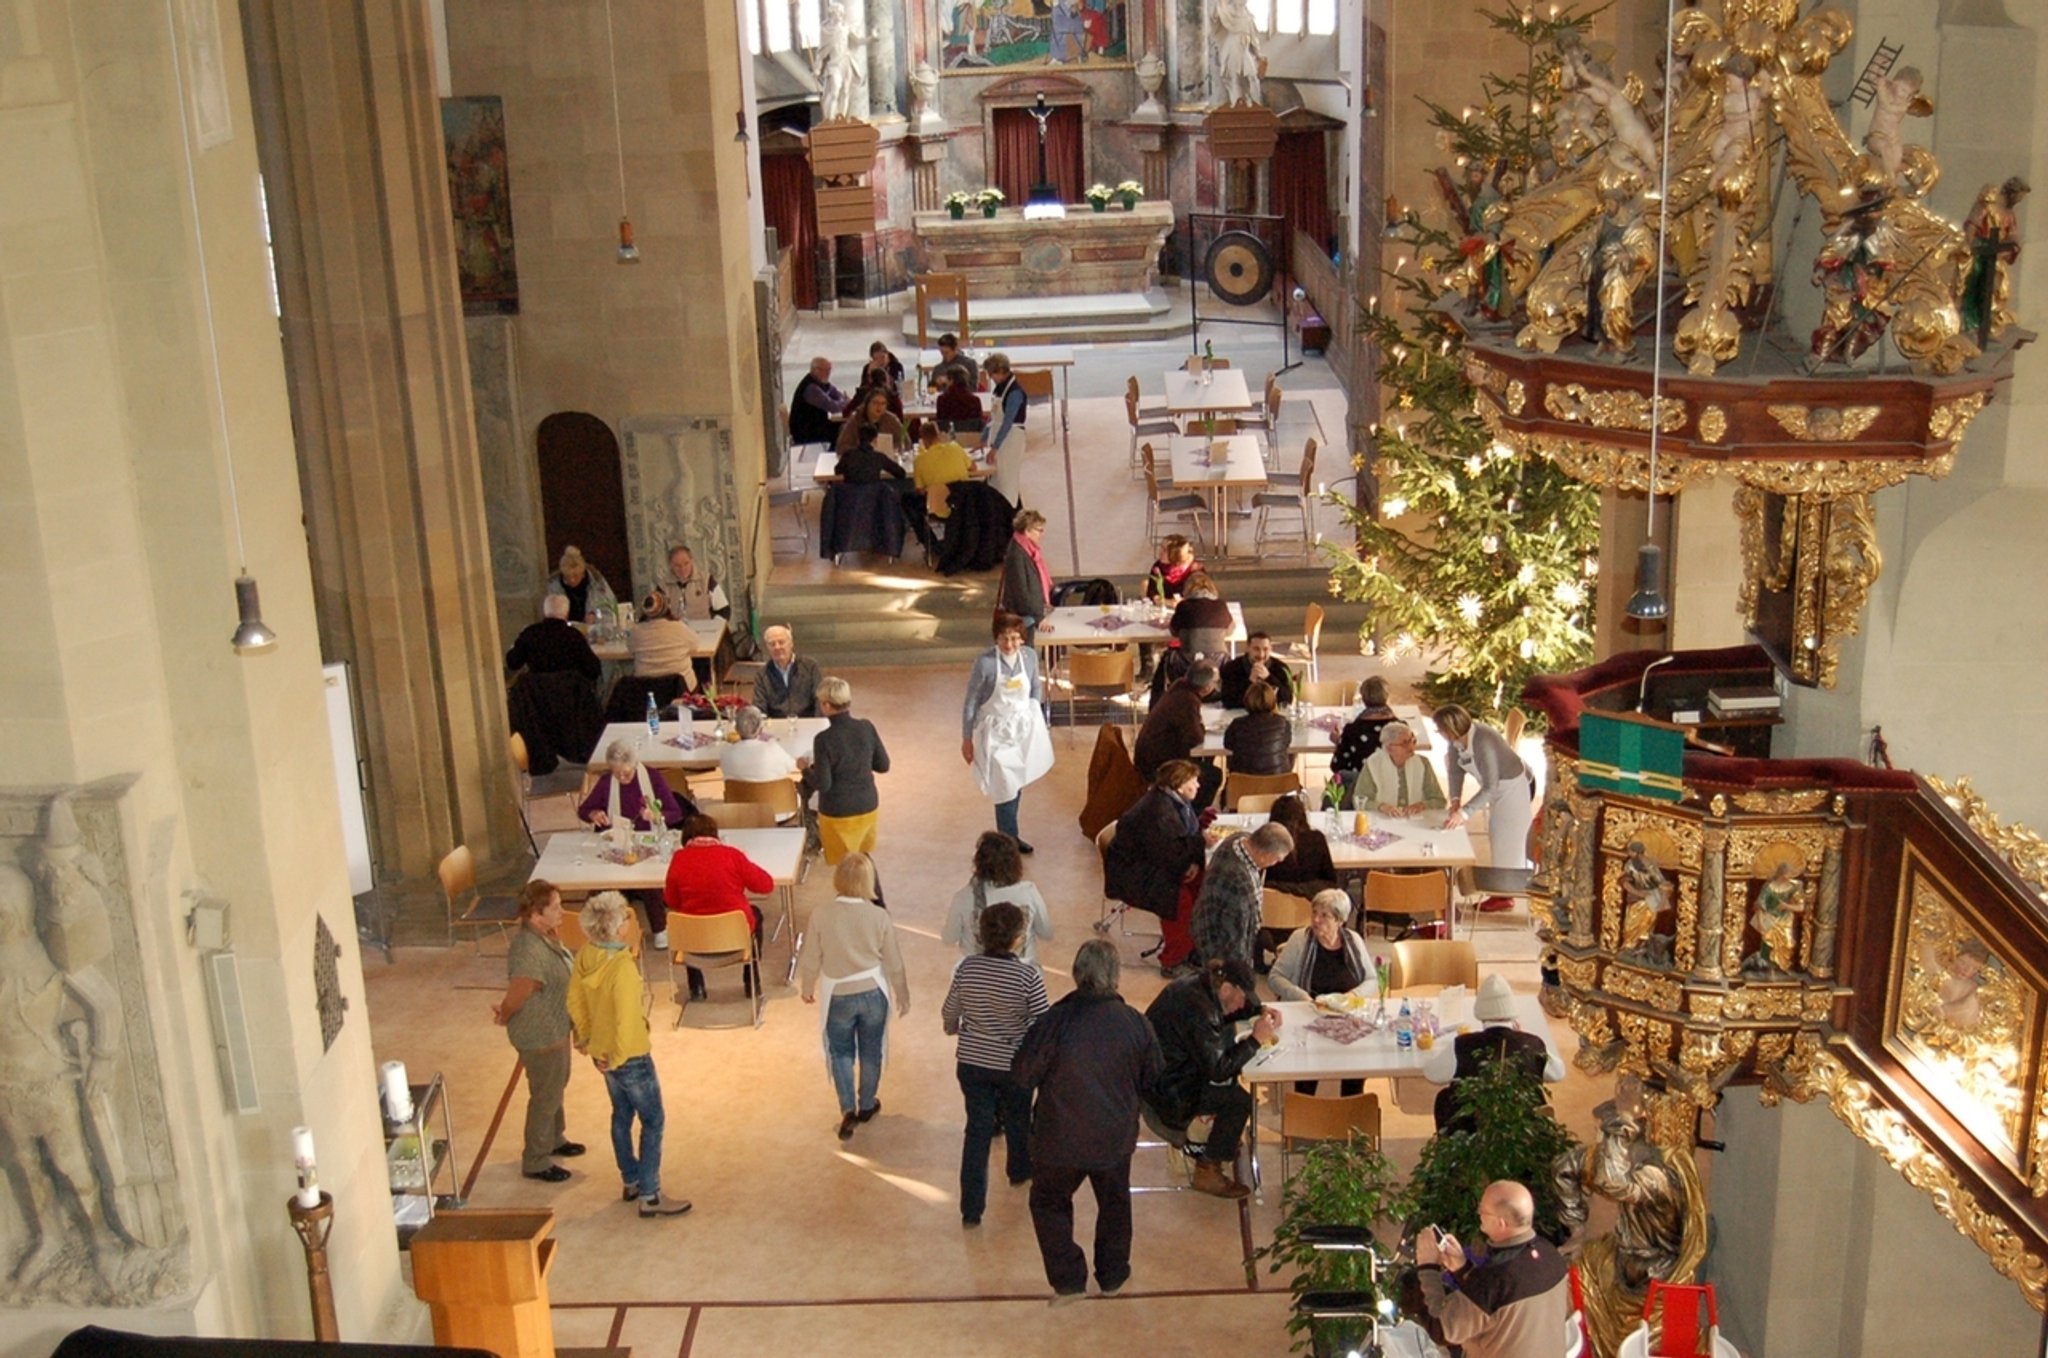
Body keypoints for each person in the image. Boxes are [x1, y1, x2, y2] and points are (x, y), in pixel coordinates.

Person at [1011, 939, 1163, 1304]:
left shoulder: (1054, 1021)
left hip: (1058, 1140)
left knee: (1048, 1202)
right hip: (1114, 1139)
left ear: (1078, 974)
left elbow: (1022, 1074)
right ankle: (1112, 1276)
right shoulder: (1136, 1023)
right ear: (1115, 977)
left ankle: (1068, 1281)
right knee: (1114, 1204)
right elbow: (1155, 1078)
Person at [566, 892, 690, 1216]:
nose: (630, 920)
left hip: (603, 1053)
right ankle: (650, 1195)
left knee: (621, 1116)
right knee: (653, 1120)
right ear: (616, 929)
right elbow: (625, 1019)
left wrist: (590, 1041)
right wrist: (619, 1056)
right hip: (629, 1055)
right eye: (626, 917)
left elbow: (575, 1001)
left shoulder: (585, 956)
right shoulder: (622, 968)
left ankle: (631, 1179)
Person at [943, 901, 1050, 1227]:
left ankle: (971, 1208)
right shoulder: (1028, 975)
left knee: (977, 1130)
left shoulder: (967, 968)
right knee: (1018, 1118)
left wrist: (952, 1028)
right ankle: (1019, 1169)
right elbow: (1042, 1022)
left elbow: (950, 1010)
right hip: (1014, 1065)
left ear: (981, 934)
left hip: (973, 1063)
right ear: (1019, 937)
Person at [1144, 956, 1277, 1199]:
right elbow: (1219, 1069)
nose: (1243, 1002)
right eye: (1243, 997)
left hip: (1161, 1074)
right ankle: (1207, 1170)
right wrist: (1256, 1040)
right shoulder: (1201, 1010)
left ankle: (1222, 1140)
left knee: (1233, 1077)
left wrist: (1258, 1010)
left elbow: (1222, 1015)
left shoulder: (1200, 985)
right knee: (1239, 1101)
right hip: (1170, 1091)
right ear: (1227, 988)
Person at [798, 853, 910, 1141]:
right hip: (874, 992)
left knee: (841, 1052)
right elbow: (894, 961)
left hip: (838, 994)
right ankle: (867, 1103)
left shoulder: (821, 914)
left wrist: (807, 985)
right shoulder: (879, 916)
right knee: (872, 1050)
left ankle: (847, 1106)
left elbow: (810, 957)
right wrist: (902, 993)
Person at [1415, 1180, 1573, 1358]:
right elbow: (1495, 1304)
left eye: (1483, 1211)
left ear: (1501, 1223)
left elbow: (1441, 1329)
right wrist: (1462, 1268)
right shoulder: (1550, 1254)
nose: (1479, 1214)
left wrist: (1427, 1268)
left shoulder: (1495, 1278)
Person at [492, 881, 583, 1182]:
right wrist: (504, 1014)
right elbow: (520, 990)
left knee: (556, 1084)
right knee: (545, 1094)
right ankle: (535, 1159)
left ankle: (555, 1139)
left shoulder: (544, 936)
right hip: (540, 1032)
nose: (562, 912)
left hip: (555, 1026)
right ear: (535, 914)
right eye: (555, 907)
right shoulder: (527, 949)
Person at [578, 740, 693, 947]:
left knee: (646, 877)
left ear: (635, 765)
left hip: (648, 839)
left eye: (627, 774)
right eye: (617, 773)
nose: (621, 778)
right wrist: (594, 813)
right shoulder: (606, 783)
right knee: (600, 881)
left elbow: (675, 813)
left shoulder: (652, 778)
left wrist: (656, 815)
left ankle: (659, 929)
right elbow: (584, 810)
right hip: (616, 841)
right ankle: (603, 930)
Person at [1105, 760, 1210, 974]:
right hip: (1134, 874)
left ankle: (1193, 946)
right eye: (1194, 781)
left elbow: (1173, 847)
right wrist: (1193, 856)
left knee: (1204, 885)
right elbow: (1169, 853)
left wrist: (1192, 863)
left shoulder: (1171, 800)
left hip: (1149, 862)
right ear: (1179, 785)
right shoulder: (1160, 811)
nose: (1198, 785)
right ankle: (1173, 961)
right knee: (1181, 901)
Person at [1422, 974, 1564, 1132]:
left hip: (1473, 1131)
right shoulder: (1533, 1043)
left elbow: (1431, 1074)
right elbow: (1558, 1073)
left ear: (1480, 1013)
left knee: (1445, 1098)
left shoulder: (1463, 1044)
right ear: (1512, 1013)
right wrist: (1524, 1036)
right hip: (1523, 1131)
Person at [961, 612, 1054, 851]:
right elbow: (971, 702)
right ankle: (1008, 839)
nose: (1009, 645)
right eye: (1004, 639)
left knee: (1016, 782)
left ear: (1022, 638)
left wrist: (1034, 719)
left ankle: (1010, 835)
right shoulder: (985, 663)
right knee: (1004, 784)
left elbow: (1035, 688)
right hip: (996, 734)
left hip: (1021, 730)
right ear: (996, 639)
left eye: (1014, 638)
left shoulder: (1030, 657)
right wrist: (967, 738)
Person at [1269, 889, 1370, 1097]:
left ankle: (1351, 1108)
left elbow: (1372, 980)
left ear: (1340, 920)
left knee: (1359, 1058)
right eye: (1314, 912)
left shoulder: (1354, 940)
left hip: (1345, 1015)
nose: (1316, 920)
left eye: (1325, 915)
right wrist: (1301, 996)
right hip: (1308, 1013)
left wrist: (1352, 996)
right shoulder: (1300, 939)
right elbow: (1275, 978)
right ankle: (1304, 1107)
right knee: (1308, 1060)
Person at [663, 813, 775, 1000]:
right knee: (756, 914)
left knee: (685, 918)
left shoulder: (679, 859)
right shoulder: (732, 855)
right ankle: (751, 981)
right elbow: (766, 885)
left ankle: (696, 987)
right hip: (734, 937)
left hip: (694, 942)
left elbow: (671, 901)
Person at [1437, 703, 1534, 903]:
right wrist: (1455, 799)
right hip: (1494, 787)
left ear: (1451, 729)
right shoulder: (1455, 742)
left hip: (1512, 787)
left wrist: (1463, 813)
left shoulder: (1483, 741)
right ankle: (1500, 892)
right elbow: (1455, 771)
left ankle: (1506, 896)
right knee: (1496, 835)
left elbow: (1491, 786)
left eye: (1441, 729)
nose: (1439, 733)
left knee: (1508, 842)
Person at [800, 676, 890, 863]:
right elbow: (883, 765)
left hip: (838, 812)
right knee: (863, 860)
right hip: (867, 806)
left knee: (845, 867)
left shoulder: (824, 739)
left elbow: (823, 785)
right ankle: (872, 891)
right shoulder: (866, 727)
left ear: (826, 705)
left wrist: (805, 769)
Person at [1190, 821, 1293, 974]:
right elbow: (1236, 940)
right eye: (1276, 860)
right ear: (1265, 855)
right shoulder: (1240, 884)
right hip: (1217, 939)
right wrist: (1240, 974)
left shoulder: (1238, 840)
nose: (1275, 864)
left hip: (1206, 920)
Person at [942, 831, 1055, 967]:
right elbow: (1047, 933)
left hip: (980, 976)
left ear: (978, 862)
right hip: (1023, 974)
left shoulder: (963, 897)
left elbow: (949, 938)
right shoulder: (1029, 892)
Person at [1133, 659, 1221, 807]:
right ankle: (1193, 814)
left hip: (1149, 756)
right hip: (1158, 765)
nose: (1216, 686)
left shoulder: (1180, 686)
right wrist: (1201, 727)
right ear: (1206, 687)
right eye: (1215, 682)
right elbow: (1195, 738)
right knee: (1213, 775)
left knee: (1205, 765)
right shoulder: (1187, 700)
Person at [1356, 719, 1447, 816]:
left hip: (1415, 821)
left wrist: (1422, 805)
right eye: (1405, 743)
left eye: (1412, 741)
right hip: (1383, 820)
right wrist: (1381, 807)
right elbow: (1360, 799)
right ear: (1389, 748)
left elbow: (1439, 800)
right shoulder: (1373, 764)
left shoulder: (1422, 764)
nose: (1411, 746)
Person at [506, 593, 602, 680]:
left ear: (544, 612)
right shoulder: (574, 636)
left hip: (536, 695)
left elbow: (512, 663)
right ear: (567, 613)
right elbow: (594, 671)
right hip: (569, 694)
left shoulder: (530, 633)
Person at [1330, 676, 1398, 792]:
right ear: (1386, 697)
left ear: (1363, 699)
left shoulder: (1353, 730)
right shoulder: (1400, 728)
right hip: (1394, 787)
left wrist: (1340, 742)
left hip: (1361, 788)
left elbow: (1337, 766)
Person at [1264, 794, 1337, 900]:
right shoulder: (1317, 839)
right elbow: (1331, 882)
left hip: (1275, 909)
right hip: (1312, 908)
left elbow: (1261, 882)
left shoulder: (1268, 841)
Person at [997, 509, 1054, 642]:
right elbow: (1021, 591)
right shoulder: (1017, 554)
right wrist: (1039, 617)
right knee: (1026, 654)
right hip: (1023, 618)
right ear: (1027, 531)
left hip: (1028, 614)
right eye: (1039, 530)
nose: (1042, 534)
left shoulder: (1026, 548)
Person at [626, 589, 701, 684]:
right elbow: (695, 645)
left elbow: (630, 649)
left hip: (646, 689)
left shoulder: (635, 632)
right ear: (666, 608)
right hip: (681, 690)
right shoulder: (679, 628)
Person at [1222, 680, 1291, 776]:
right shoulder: (1283, 723)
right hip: (1278, 784)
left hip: (1243, 784)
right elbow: (1286, 743)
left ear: (1246, 700)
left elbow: (1228, 744)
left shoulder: (1237, 724)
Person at [753, 623, 823, 718]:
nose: (777, 647)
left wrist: (817, 724)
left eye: (781, 642)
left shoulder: (810, 667)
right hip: (776, 725)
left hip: (806, 723)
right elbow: (759, 707)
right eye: (772, 644)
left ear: (791, 644)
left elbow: (820, 699)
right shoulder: (762, 674)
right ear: (767, 648)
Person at [913, 420, 976, 522]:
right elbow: (973, 467)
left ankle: (926, 536)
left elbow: (920, 490)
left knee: (909, 500)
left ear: (923, 440)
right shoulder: (955, 448)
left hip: (938, 509)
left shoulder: (919, 461)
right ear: (938, 435)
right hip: (963, 505)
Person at [1215, 632, 1295, 709]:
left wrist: (1269, 678)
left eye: (1265, 649)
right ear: (1248, 648)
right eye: (1256, 649)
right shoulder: (1232, 667)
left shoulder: (1280, 668)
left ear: (1271, 649)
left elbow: (1287, 700)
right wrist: (1250, 682)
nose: (1261, 654)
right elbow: (1228, 701)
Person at [720, 705, 798, 783]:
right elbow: (791, 766)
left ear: (736, 729)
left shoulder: (726, 753)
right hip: (772, 794)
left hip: (736, 795)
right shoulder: (772, 749)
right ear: (760, 730)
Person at [1167, 572, 1232, 666]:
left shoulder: (1184, 606)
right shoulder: (1221, 605)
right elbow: (1229, 630)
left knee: (1169, 656)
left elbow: (1174, 631)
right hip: (1219, 661)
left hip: (1189, 662)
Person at [545, 544, 617, 624]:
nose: (572, 580)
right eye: (568, 577)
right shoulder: (554, 587)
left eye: (576, 576)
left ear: (583, 574)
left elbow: (610, 607)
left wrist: (595, 615)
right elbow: (550, 615)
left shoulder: (598, 584)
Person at [662, 544, 730, 623]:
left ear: (692, 561)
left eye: (686, 563)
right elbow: (655, 617)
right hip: (676, 633)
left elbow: (724, 610)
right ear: (670, 565)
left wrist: (714, 628)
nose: (682, 569)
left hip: (704, 631)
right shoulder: (663, 587)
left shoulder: (706, 581)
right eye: (677, 566)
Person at [836, 386, 910, 456]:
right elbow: (841, 447)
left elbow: (906, 442)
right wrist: (862, 451)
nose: (879, 407)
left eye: (883, 403)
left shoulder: (891, 420)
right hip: (861, 462)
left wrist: (893, 448)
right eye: (875, 403)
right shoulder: (856, 419)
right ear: (867, 403)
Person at [790, 355, 847, 446]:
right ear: (816, 370)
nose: (829, 373)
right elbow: (832, 407)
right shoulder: (811, 388)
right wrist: (846, 403)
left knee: (845, 426)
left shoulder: (821, 382)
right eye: (826, 370)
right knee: (845, 430)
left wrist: (843, 401)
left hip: (817, 426)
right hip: (806, 432)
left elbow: (836, 394)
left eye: (830, 370)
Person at [1143, 534, 1201, 604]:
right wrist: (1166, 602)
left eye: (1164, 550)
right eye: (1161, 547)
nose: (1160, 552)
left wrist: (1181, 603)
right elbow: (1151, 593)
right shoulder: (1158, 566)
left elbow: (1199, 597)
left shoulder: (1194, 569)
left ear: (1176, 554)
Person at [835, 433, 910, 486]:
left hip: (850, 501)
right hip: (873, 502)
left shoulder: (848, 455)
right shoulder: (879, 457)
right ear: (875, 440)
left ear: (858, 439)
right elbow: (901, 473)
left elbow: (837, 471)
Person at [931, 367, 984, 432]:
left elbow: (940, 422)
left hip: (948, 437)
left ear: (951, 380)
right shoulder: (975, 400)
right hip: (971, 437)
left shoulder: (942, 399)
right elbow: (978, 423)